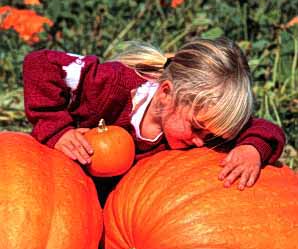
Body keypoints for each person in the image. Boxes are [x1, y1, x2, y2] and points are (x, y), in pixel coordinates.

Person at [23, 38, 285, 191]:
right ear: (166, 93)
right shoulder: (111, 86)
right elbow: (40, 64)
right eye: (195, 128)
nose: (200, 143)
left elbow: (266, 129)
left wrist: (253, 149)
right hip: (64, 186)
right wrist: (57, 129)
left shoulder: (207, 128)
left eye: (211, 136)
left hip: (124, 215)